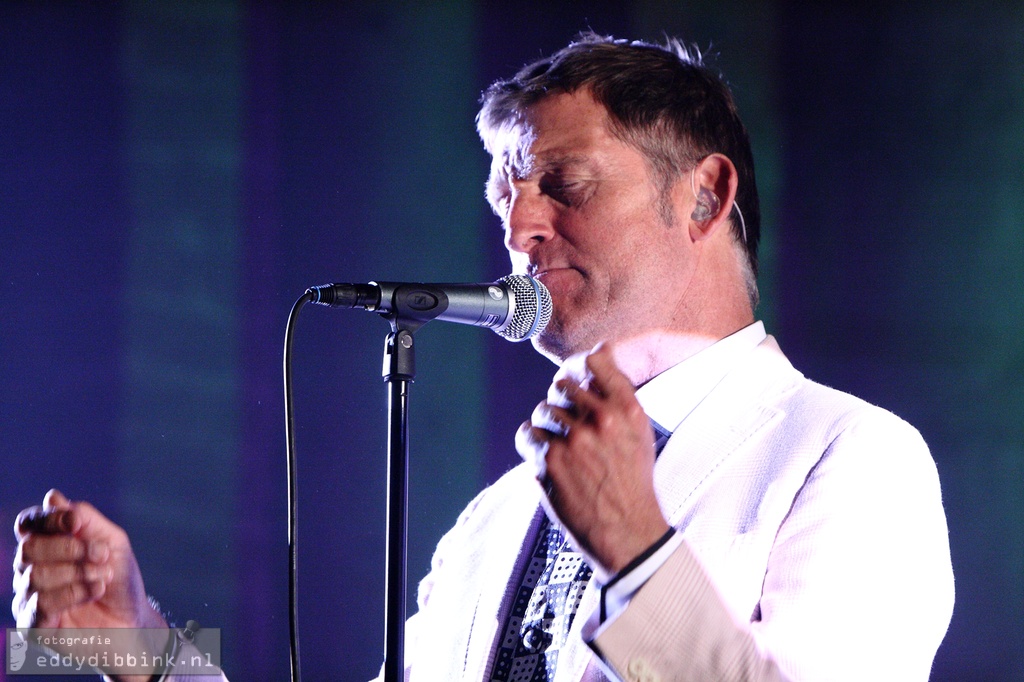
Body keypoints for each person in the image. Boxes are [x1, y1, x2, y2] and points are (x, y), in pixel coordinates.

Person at [12, 33, 954, 682]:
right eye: (505, 197)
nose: (520, 228)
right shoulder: (498, 516)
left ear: (703, 196)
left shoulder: (854, 457)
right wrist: (138, 649)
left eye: (563, 185)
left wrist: (636, 553)